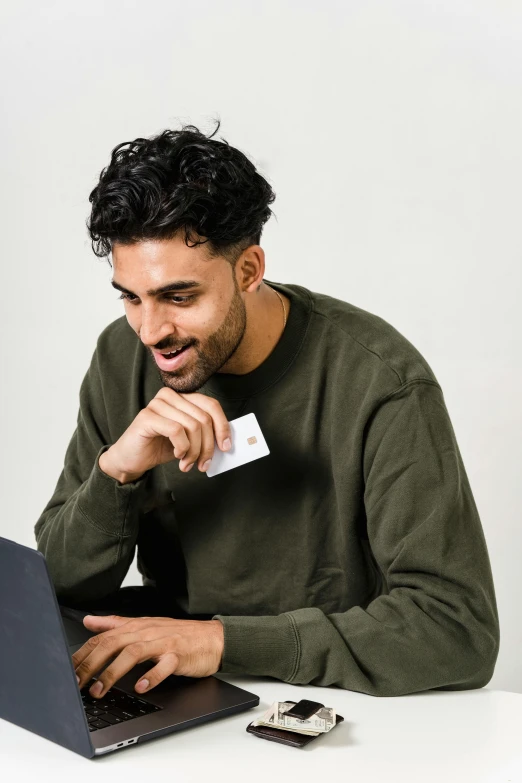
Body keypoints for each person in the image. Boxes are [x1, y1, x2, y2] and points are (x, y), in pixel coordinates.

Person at [35, 120, 499, 702]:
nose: (152, 331)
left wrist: (220, 643)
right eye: (131, 296)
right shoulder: (120, 357)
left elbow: (457, 629)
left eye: (179, 297)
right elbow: (55, 585)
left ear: (249, 270)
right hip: (178, 693)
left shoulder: (381, 382)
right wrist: (116, 472)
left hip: (334, 705)